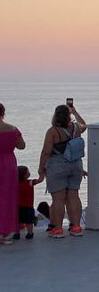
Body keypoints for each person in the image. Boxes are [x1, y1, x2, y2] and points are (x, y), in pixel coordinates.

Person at [39, 102, 86, 239]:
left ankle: (58, 229)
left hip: (58, 166)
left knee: (58, 199)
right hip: (76, 165)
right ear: (68, 115)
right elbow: (84, 124)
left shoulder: (53, 131)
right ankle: (76, 227)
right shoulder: (76, 128)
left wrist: (41, 169)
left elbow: (46, 152)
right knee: (74, 196)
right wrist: (75, 112)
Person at [0, 103, 26, 246]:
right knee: (8, 198)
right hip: (8, 165)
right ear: (3, 113)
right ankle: (6, 234)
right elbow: (22, 146)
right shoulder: (12, 129)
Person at [16, 166, 36, 240]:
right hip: (28, 206)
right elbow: (39, 180)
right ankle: (30, 233)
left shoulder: (15, 184)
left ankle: (17, 233)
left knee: (18, 220)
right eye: (28, 172)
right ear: (25, 175)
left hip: (18, 206)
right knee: (29, 221)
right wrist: (42, 173)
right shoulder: (30, 182)